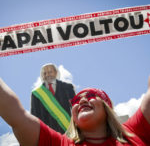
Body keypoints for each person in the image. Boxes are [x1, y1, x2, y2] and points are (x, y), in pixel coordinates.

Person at [0, 76, 150, 146]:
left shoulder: (135, 132)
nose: (82, 101)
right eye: (76, 101)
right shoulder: (56, 143)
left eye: (91, 96)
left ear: (107, 107)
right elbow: (15, 114)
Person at [31, 63, 75, 133]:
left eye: (50, 72)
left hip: (69, 130)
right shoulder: (36, 94)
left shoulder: (68, 87)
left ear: (56, 72)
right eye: (44, 73)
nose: (47, 75)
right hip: (48, 133)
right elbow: (34, 116)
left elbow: (75, 108)